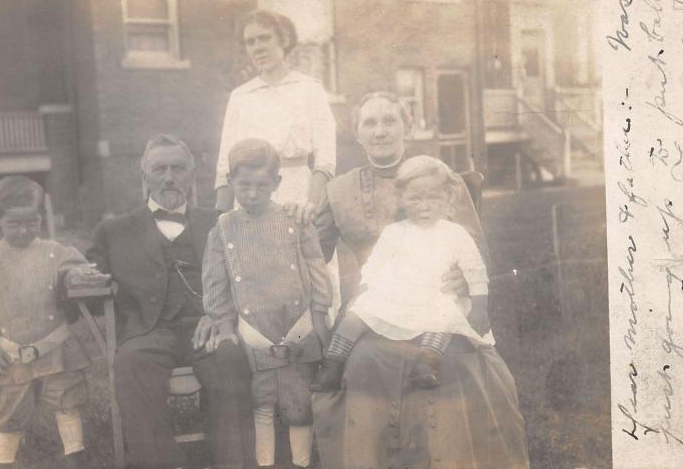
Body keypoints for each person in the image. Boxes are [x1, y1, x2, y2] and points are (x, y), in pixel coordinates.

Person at [311, 92, 530, 469]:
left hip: (435, 300)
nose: (380, 131)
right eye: (370, 123)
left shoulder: (439, 180)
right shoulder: (338, 190)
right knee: (363, 361)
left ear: (407, 129)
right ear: (357, 134)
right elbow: (311, 257)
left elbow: (474, 250)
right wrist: (315, 316)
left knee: (457, 365)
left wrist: (463, 285)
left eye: (390, 121)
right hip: (376, 304)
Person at [75, 134, 256, 469]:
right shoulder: (114, 230)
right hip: (148, 331)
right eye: (160, 169)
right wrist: (71, 278)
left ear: (192, 175)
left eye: (178, 168)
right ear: (144, 177)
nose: (169, 177)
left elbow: (248, 279)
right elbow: (85, 278)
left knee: (231, 358)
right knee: (130, 363)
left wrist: (222, 313)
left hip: (208, 328)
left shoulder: (220, 221)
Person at [0, 175, 108, 469]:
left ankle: (74, 454)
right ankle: (4, 460)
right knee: (9, 408)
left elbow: (73, 267)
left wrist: (75, 275)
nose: (25, 230)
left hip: (55, 344)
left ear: (41, 217)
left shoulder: (54, 252)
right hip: (10, 348)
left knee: (66, 399)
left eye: (32, 222)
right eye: (14, 223)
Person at [203, 138, 332, 468]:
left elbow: (317, 268)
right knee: (261, 402)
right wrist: (224, 326)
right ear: (230, 181)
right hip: (253, 330)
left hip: (296, 325)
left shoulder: (294, 220)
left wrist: (319, 315)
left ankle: (301, 461)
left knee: (299, 402)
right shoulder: (224, 228)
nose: (252, 193)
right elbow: (216, 284)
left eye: (262, 185)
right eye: (243, 185)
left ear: (276, 183)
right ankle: (265, 463)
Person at [311, 156, 491, 392]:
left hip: (436, 294)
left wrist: (479, 307)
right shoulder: (394, 232)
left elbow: (475, 270)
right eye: (415, 199)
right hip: (397, 294)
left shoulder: (455, 233)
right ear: (402, 199)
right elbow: (376, 263)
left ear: (448, 198)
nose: (424, 206)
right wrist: (366, 287)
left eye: (433, 198)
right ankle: (333, 364)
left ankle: (427, 362)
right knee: (357, 314)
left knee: (445, 315)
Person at [214, 9, 336, 214]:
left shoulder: (310, 89)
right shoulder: (240, 97)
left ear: (284, 40)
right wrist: (221, 218)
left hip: (298, 195)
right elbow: (224, 166)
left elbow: (326, 159)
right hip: (250, 197)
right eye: (250, 42)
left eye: (264, 38)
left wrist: (310, 205)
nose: (258, 47)